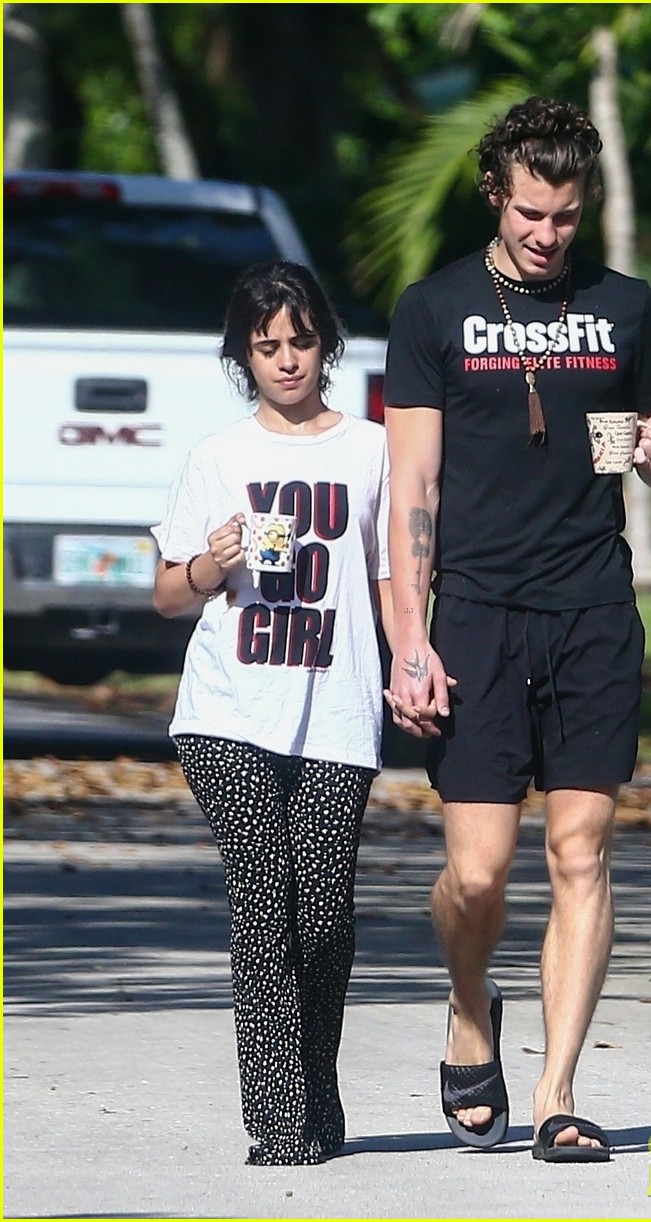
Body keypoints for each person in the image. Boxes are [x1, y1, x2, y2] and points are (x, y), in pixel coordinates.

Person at [383, 97, 651, 1162]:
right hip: (473, 611)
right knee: (478, 873)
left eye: (563, 215)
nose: (546, 234)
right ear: (493, 195)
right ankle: (471, 1009)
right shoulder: (432, 311)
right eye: (528, 213)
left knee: (579, 849)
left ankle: (559, 1092)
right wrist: (409, 639)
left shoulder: (625, 307)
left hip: (593, 609)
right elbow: (411, 485)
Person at [152, 260, 391, 1166]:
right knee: (264, 900)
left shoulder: (370, 451)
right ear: (242, 357)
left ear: (325, 343)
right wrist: (212, 562)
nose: (286, 360)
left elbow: (393, 574)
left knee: (323, 917)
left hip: (335, 709)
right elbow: (170, 597)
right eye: (266, 347)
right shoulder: (219, 458)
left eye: (299, 341)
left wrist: (414, 653)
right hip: (226, 713)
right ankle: (279, 1124)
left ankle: (316, 1099)